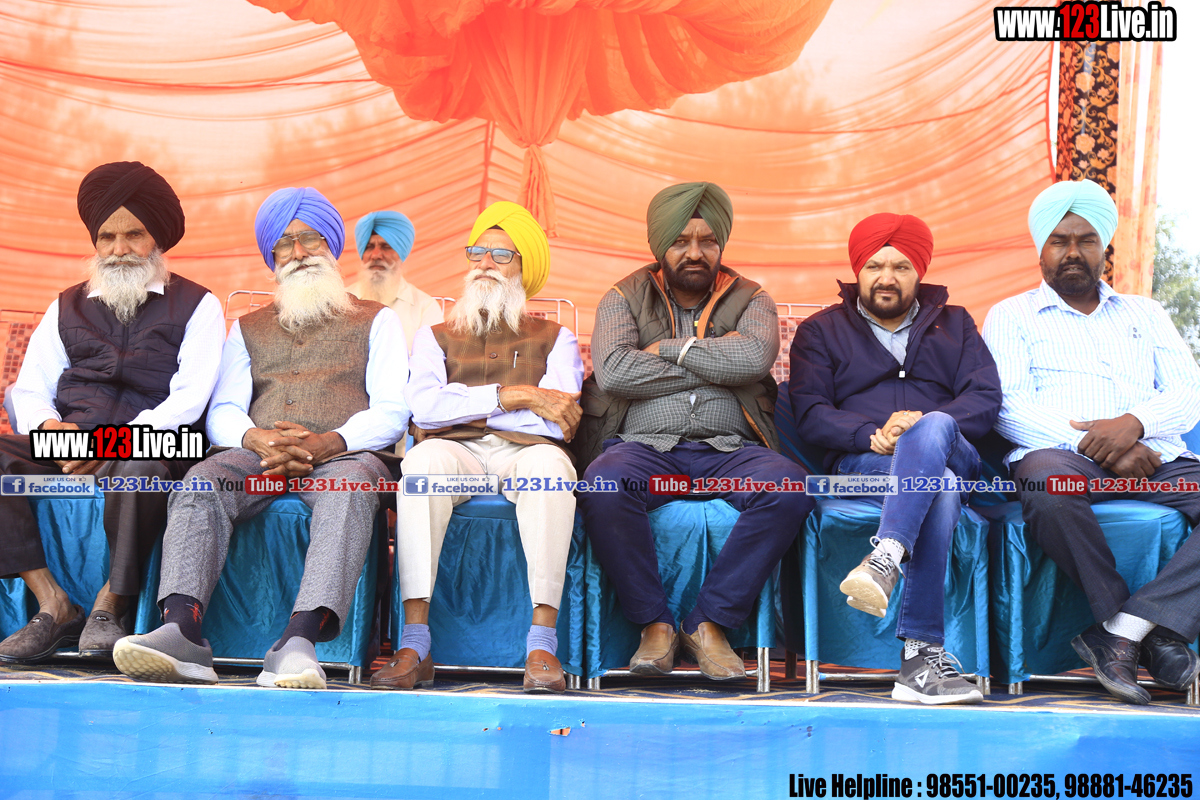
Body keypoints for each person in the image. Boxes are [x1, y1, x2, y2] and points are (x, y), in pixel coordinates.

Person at [113, 187, 409, 689]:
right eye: (285, 244)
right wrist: (255, 438)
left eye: (311, 239)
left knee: (351, 488)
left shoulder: (378, 320)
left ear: (332, 247)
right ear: (272, 258)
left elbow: (392, 410)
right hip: (261, 461)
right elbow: (223, 410)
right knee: (201, 482)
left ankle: (298, 642)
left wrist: (327, 443)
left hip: (342, 458)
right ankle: (181, 631)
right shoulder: (247, 328)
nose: (299, 253)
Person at [576, 182, 812, 682]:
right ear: (659, 244)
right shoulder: (621, 297)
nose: (695, 252)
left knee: (789, 486)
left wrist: (668, 350)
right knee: (603, 483)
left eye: (708, 241)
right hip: (646, 450)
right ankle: (654, 624)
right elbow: (615, 372)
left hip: (729, 452)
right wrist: (716, 363)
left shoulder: (753, 298)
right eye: (681, 241)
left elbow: (753, 359)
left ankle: (709, 623)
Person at [983, 179, 1200, 705]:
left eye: (1086, 240)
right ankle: (1146, 631)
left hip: (1155, 455)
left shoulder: (1146, 313)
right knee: (1047, 488)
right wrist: (1102, 445)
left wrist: (1135, 424)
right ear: (1041, 250)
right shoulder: (1010, 315)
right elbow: (1008, 406)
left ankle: (1125, 630)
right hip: (1060, 454)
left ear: (1105, 248)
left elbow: (1187, 392)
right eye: (1059, 241)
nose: (1073, 252)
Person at [0, 162, 224, 664]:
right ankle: (53, 604)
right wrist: (52, 431)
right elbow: (31, 390)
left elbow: (190, 400)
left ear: (156, 239)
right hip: (70, 441)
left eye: (134, 235)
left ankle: (110, 605)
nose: (119, 249)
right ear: (95, 242)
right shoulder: (66, 306)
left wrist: (109, 442)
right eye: (107, 237)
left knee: (141, 465)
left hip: (161, 441)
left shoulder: (199, 305)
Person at [789, 213, 1001, 704]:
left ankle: (885, 557)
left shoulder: (956, 324)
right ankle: (920, 662)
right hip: (866, 464)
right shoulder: (820, 331)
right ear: (858, 270)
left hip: (955, 452)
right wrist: (871, 436)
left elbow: (985, 398)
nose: (887, 277)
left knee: (937, 426)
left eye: (901, 267)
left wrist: (923, 425)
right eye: (875, 266)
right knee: (938, 486)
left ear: (919, 272)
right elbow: (811, 412)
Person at [372, 201, 583, 694]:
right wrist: (520, 395)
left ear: (524, 270)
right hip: (456, 454)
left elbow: (557, 420)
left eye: (501, 256)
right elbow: (425, 409)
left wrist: (463, 405)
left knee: (552, 471)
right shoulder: (434, 336)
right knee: (420, 465)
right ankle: (415, 645)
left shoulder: (558, 338)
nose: (485, 263)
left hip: (527, 454)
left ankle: (542, 645)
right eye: (477, 253)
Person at [347, 210, 443, 354]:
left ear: (401, 253)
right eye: (369, 247)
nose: (376, 255)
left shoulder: (425, 307)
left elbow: (430, 360)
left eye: (386, 246)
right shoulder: (342, 302)